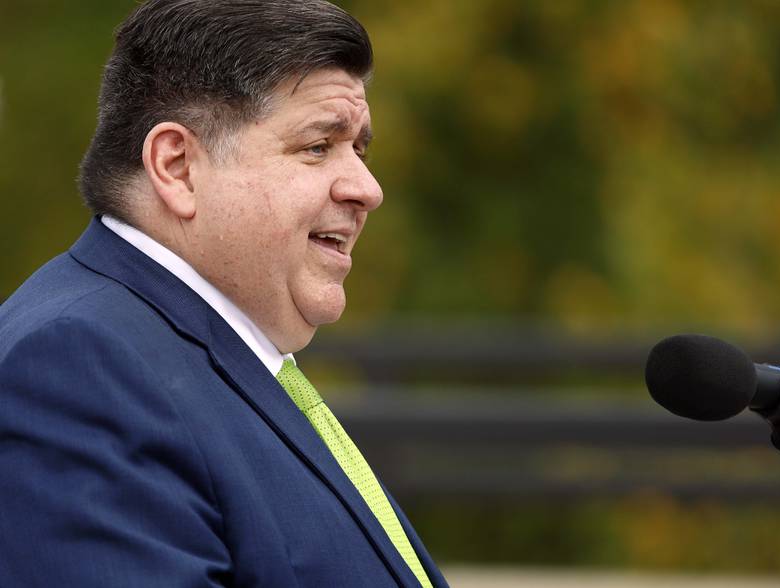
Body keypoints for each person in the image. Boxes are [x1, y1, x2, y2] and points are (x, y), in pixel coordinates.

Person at [0, 1, 448, 586]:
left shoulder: (188, 351)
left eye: (358, 149)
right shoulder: (76, 368)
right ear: (177, 165)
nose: (368, 188)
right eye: (318, 145)